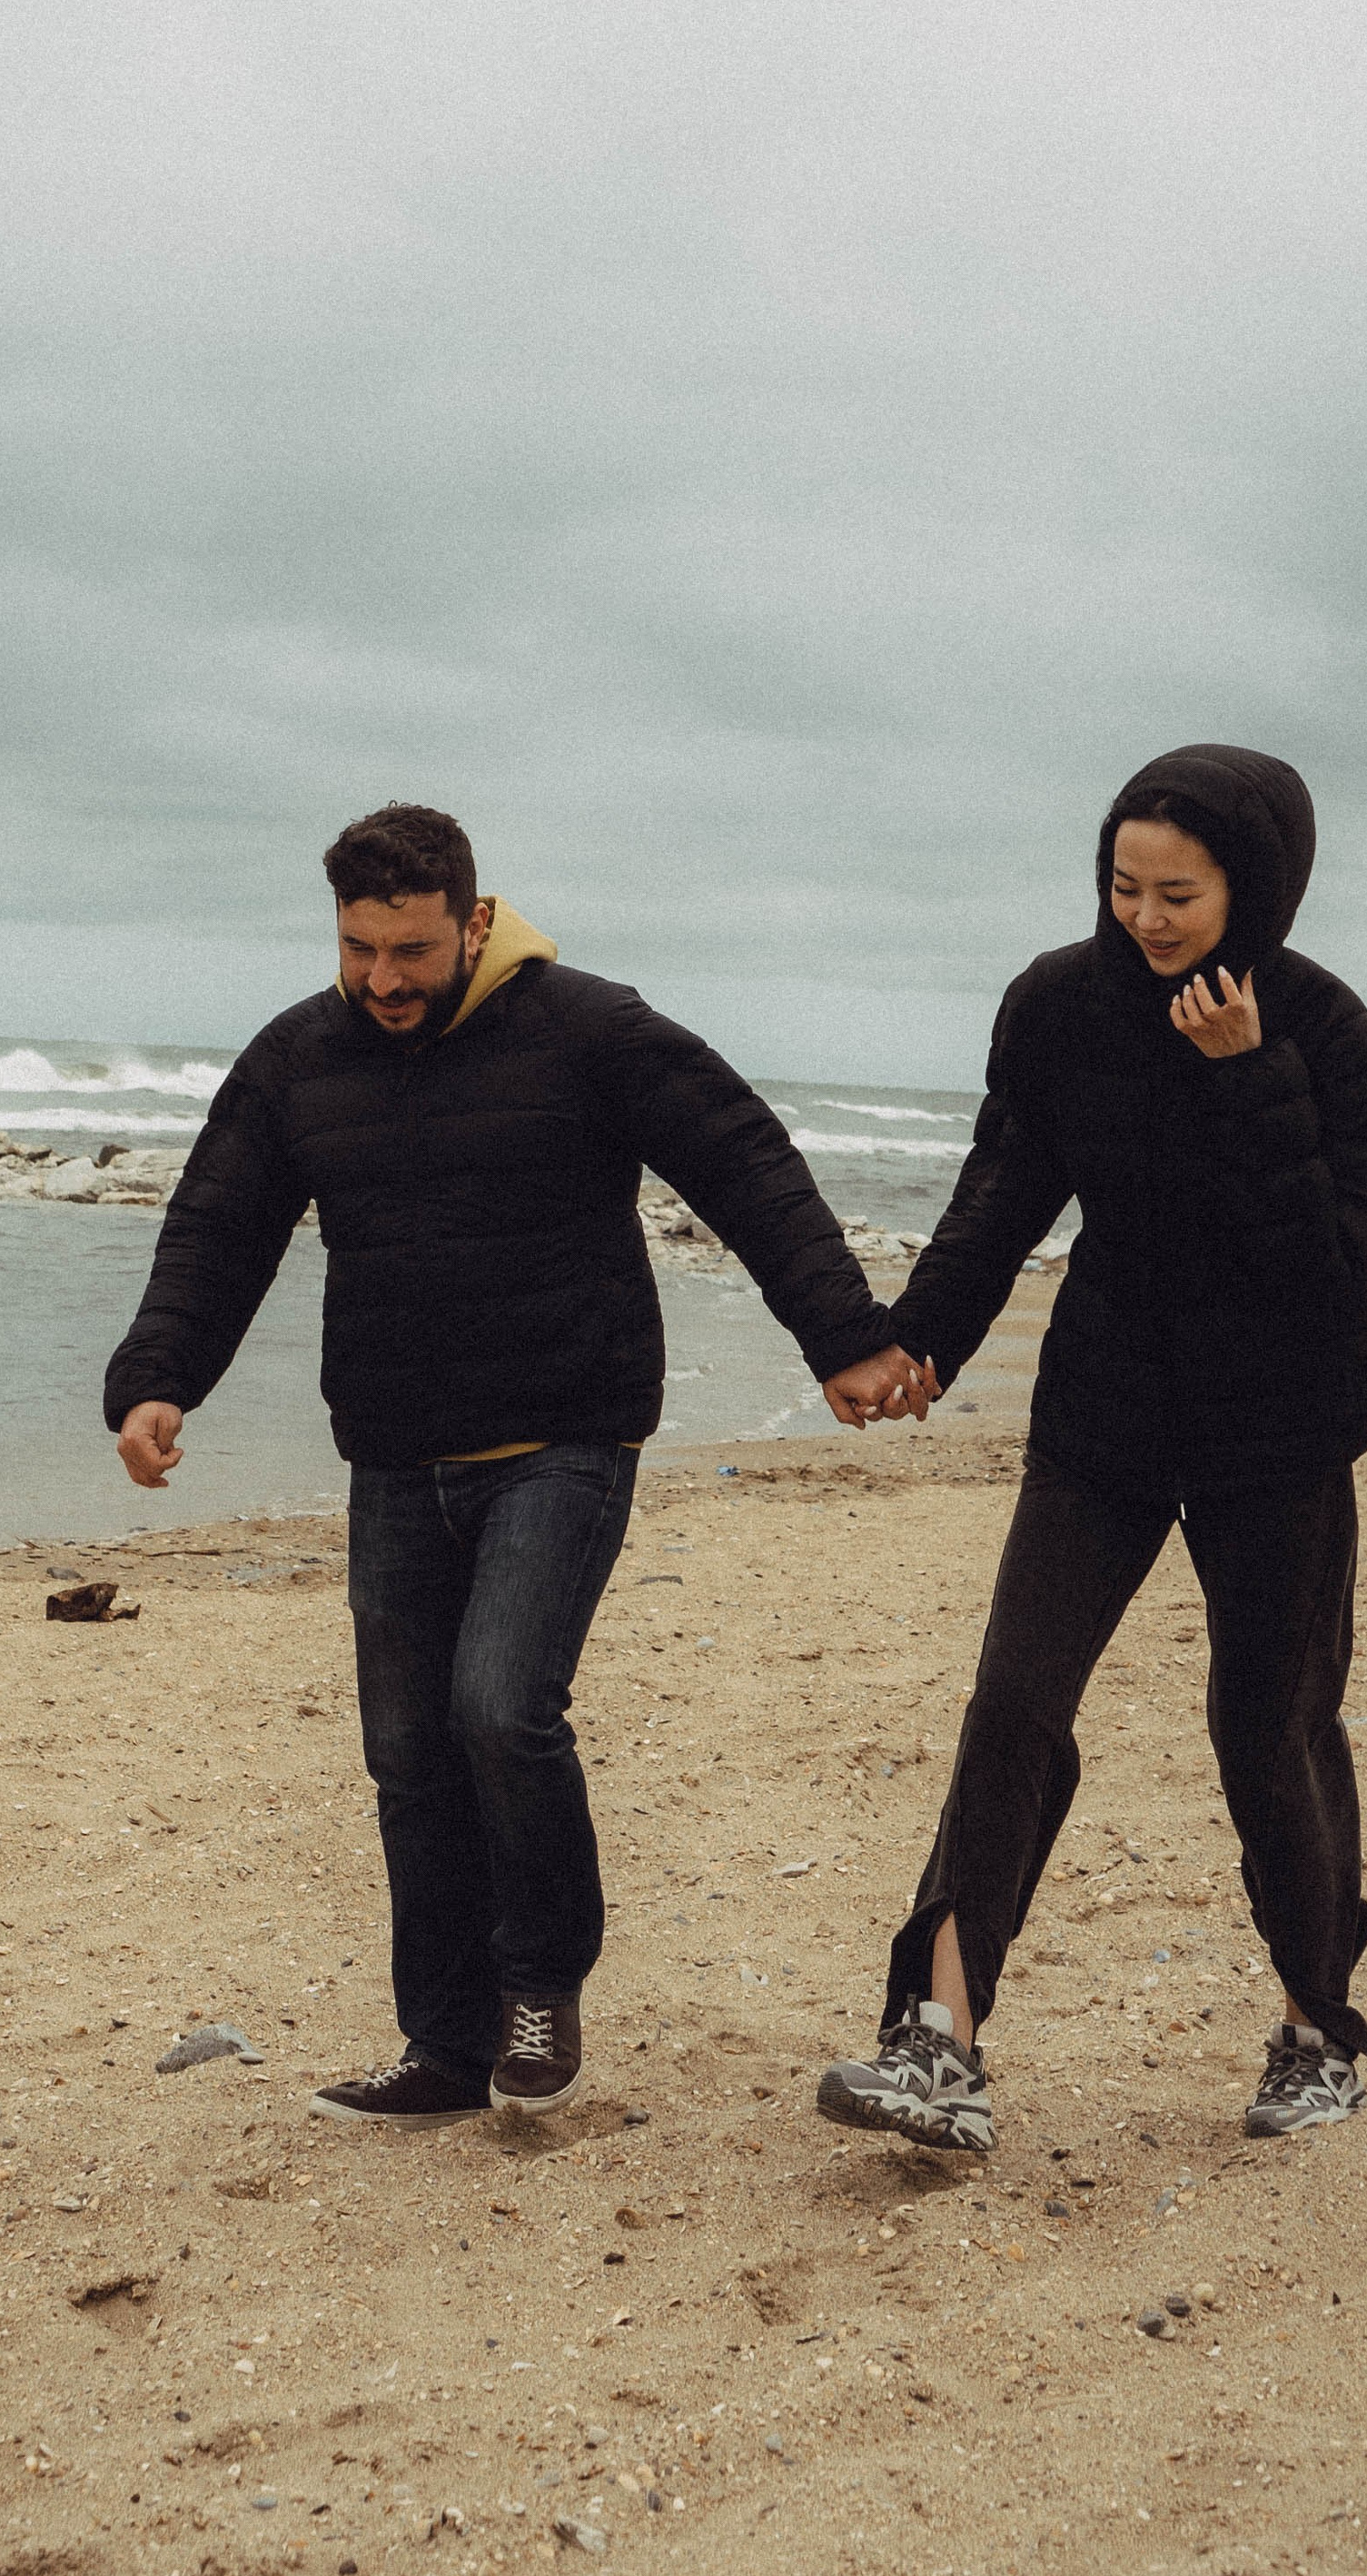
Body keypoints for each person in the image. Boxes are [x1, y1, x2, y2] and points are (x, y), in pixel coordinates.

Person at [105, 801, 932, 2125]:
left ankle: (542, 1984)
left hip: (564, 1436)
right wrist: (156, 1380)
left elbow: (744, 1161)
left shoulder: (588, 1030)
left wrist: (841, 1334)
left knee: (499, 1708)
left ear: (475, 923)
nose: (382, 979)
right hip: (394, 1456)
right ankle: (442, 2047)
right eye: (359, 948)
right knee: (408, 1756)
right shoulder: (298, 1057)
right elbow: (219, 1225)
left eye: (412, 951)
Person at [814, 746, 1367, 2155]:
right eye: (1125, 885)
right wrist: (926, 1338)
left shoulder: (1328, 1038)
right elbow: (1006, 1189)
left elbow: (1331, 1276)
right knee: (1015, 1697)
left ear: (1253, 890)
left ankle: (1318, 2030)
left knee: (1267, 1727)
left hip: (1283, 1427)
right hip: (1109, 1411)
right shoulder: (1060, 1008)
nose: (1146, 918)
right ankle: (939, 2040)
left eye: (1180, 896)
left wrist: (1247, 1073)